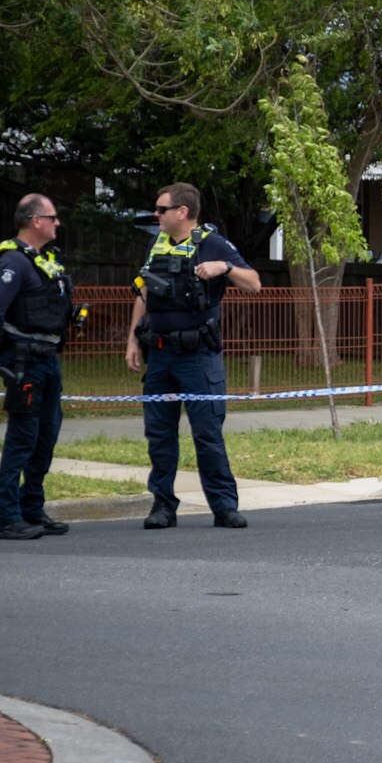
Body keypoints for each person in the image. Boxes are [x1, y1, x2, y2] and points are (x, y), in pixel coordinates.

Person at [124, 183, 263, 529]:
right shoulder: (155, 245)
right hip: (160, 355)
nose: (156, 216)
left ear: (182, 212)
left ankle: (224, 506)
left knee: (207, 433)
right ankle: (163, 505)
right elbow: (144, 294)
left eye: (161, 210)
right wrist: (131, 340)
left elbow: (254, 283)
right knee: (159, 434)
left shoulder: (212, 244)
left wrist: (224, 268)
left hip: (199, 357)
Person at [0, 194, 75, 540]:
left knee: (46, 436)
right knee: (22, 439)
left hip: (48, 360)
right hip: (26, 365)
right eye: (53, 217)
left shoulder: (44, 260)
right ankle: (6, 518)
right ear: (36, 221)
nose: (57, 223)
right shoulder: (14, 262)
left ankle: (32, 508)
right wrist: (3, 352)